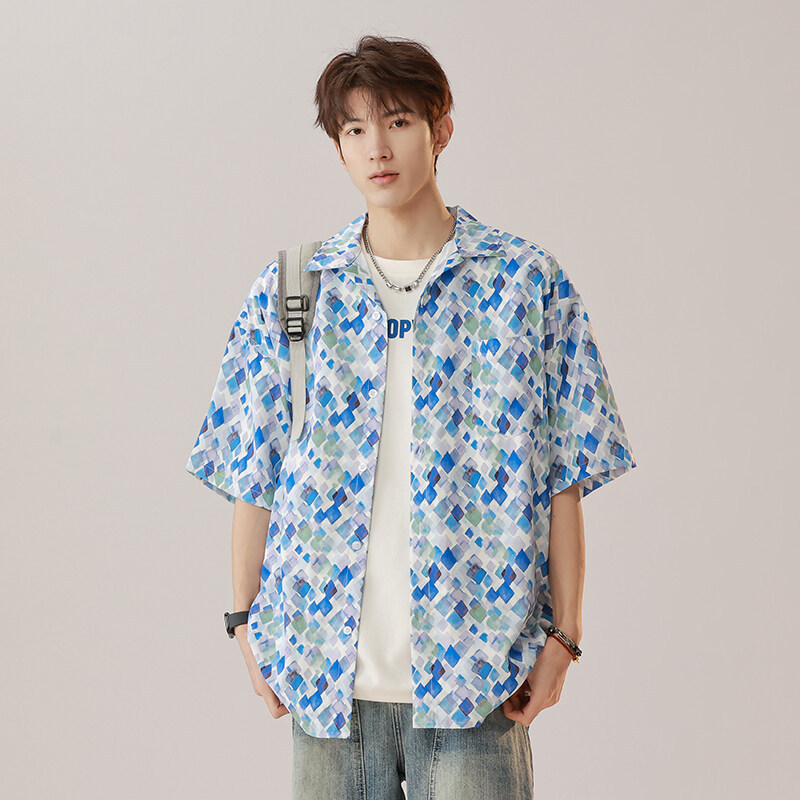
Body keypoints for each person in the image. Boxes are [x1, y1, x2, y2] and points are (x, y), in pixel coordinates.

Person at [184, 34, 636, 800]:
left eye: (397, 121)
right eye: (355, 129)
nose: (377, 148)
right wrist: (243, 625)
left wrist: (567, 634)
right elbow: (252, 473)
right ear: (337, 147)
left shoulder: (525, 284)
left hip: (477, 681)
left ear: (441, 127)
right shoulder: (294, 290)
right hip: (326, 685)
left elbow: (563, 473)